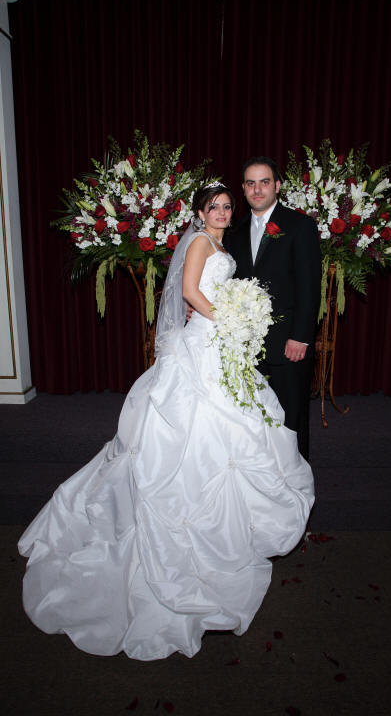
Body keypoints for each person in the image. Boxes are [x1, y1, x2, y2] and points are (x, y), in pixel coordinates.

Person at [18, 183, 314, 662]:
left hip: (220, 343)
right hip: (205, 344)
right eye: (214, 207)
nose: (222, 212)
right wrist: (230, 320)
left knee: (237, 431)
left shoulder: (222, 245)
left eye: (227, 207)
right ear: (199, 212)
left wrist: (238, 318)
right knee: (189, 435)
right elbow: (189, 291)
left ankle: (231, 533)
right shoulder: (199, 243)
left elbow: (209, 292)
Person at [224, 157, 321, 460]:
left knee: (291, 418)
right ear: (243, 189)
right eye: (250, 183)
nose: (257, 189)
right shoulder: (235, 230)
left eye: (264, 182)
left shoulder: (299, 225)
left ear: (277, 186)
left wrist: (301, 336)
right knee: (253, 419)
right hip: (247, 345)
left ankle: (296, 478)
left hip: (288, 342)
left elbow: (309, 286)